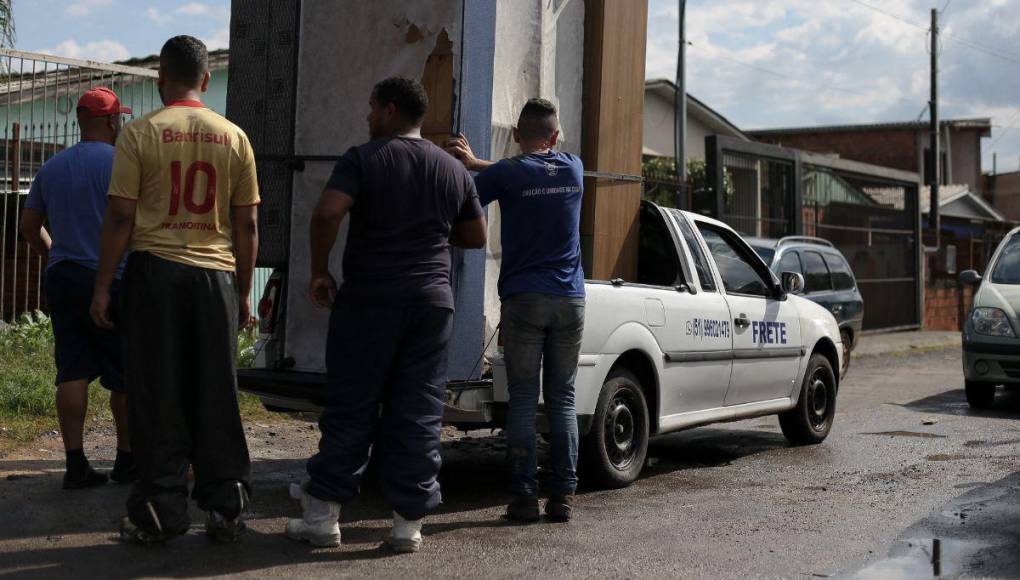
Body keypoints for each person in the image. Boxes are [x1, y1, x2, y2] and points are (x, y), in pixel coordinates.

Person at [286, 77, 486, 553]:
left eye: (372, 107)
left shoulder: (364, 158)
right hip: (432, 305)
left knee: (352, 405)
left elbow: (327, 214)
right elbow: (476, 236)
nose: (368, 115)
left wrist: (319, 271)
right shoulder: (452, 169)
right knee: (418, 409)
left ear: (391, 110)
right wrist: (433, 236)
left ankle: (323, 519)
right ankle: (406, 526)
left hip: (372, 300)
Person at [90, 35, 260, 544]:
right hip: (215, 278)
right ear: (206, 80)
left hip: (155, 274)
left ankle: (161, 511)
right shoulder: (234, 137)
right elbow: (248, 226)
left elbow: (121, 216)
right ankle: (226, 503)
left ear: (161, 78)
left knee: (157, 393)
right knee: (216, 391)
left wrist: (102, 287)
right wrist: (243, 293)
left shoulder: (139, 134)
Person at [445, 98, 585, 523]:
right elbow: (525, 169)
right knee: (562, 399)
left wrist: (468, 164)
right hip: (570, 300)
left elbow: (476, 196)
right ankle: (562, 498)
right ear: (556, 137)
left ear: (518, 136)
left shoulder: (508, 173)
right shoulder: (574, 168)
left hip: (525, 299)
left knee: (524, 399)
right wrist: (483, 163)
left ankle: (523, 499)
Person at [19, 87, 136, 490]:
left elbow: (29, 228)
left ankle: (75, 464)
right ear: (112, 120)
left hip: (64, 277)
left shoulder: (52, 167)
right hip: (112, 279)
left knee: (72, 368)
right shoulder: (123, 164)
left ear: (79, 121)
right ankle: (126, 461)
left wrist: (53, 254)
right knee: (123, 374)